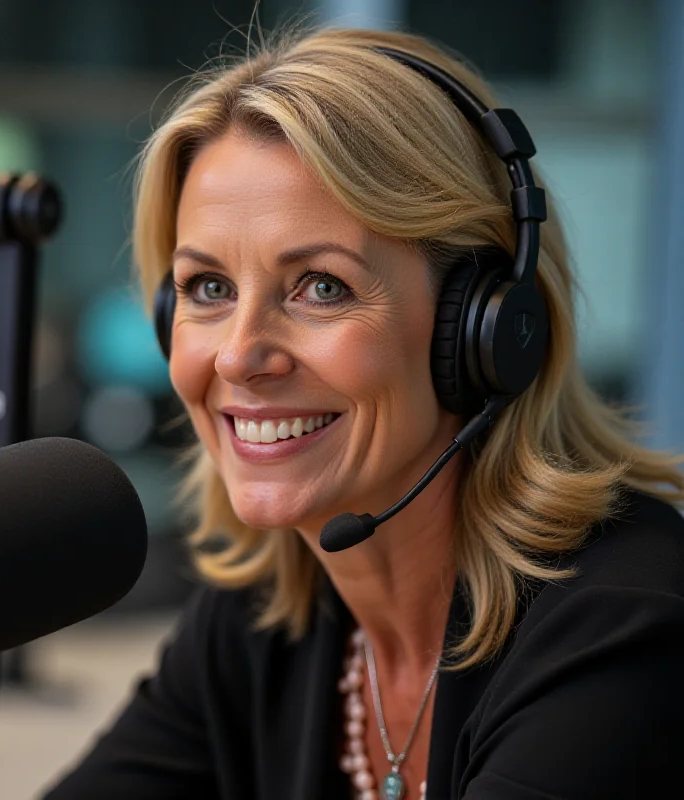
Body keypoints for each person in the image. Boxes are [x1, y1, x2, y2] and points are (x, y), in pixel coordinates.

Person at [42, 25, 684, 800]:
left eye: (321, 285)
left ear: (483, 329)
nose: (240, 357)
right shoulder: (263, 617)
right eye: (208, 289)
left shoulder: (627, 621)